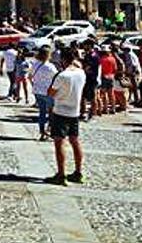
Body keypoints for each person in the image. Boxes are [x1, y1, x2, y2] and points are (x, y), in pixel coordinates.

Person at [45, 48, 87, 186]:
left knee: (59, 143)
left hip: (61, 111)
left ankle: (61, 174)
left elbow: (50, 92)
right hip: (74, 112)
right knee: (75, 141)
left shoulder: (62, 75)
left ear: (63, 60)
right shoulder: (81, 73)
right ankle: (78, 172)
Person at [30, 46, 58, 141]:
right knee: (52, 112)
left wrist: (34, 84)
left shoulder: (34, 64)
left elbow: (30, 76)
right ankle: (50, 130)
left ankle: (42, 132)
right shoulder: (51, 67)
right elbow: (57, 78)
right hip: (48, 91)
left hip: (37, 91)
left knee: (41, 112)